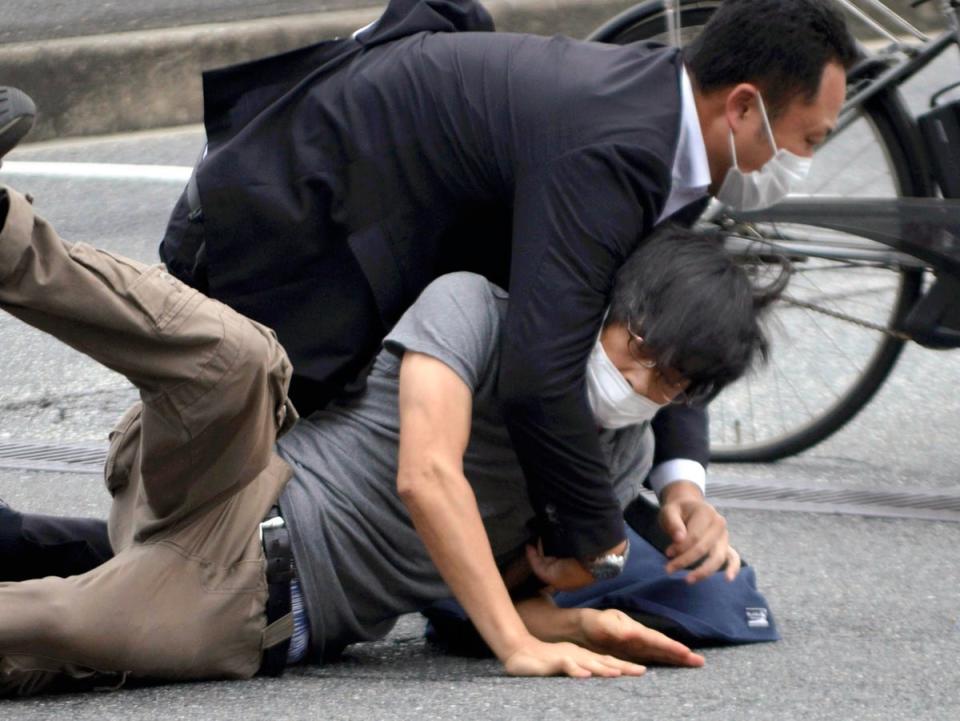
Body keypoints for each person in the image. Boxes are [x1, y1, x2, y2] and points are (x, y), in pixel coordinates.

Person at [0, 165, 777, 694]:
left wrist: (578, 614)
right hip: (233, 474)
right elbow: (426, 473)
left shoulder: (619, 456)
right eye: (636, 349)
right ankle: (5, 232)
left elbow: (476, 604)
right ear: (607, 307)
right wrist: (518, 640)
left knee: (52, 627)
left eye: (669, 381)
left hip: (248, 601)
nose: (638, 382)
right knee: (239, 356)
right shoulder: (476, 310)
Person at [157, 0, 857, 581]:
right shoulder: (618, 147)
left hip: (339, 238)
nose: (802, 163)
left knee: (223, 547)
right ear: (742, 107)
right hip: (262, 233)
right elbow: (538, 374)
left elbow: (659, 306)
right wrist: (600, 546)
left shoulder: (670, 129)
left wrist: (681, 482)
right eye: (808, 138)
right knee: (205, 532)